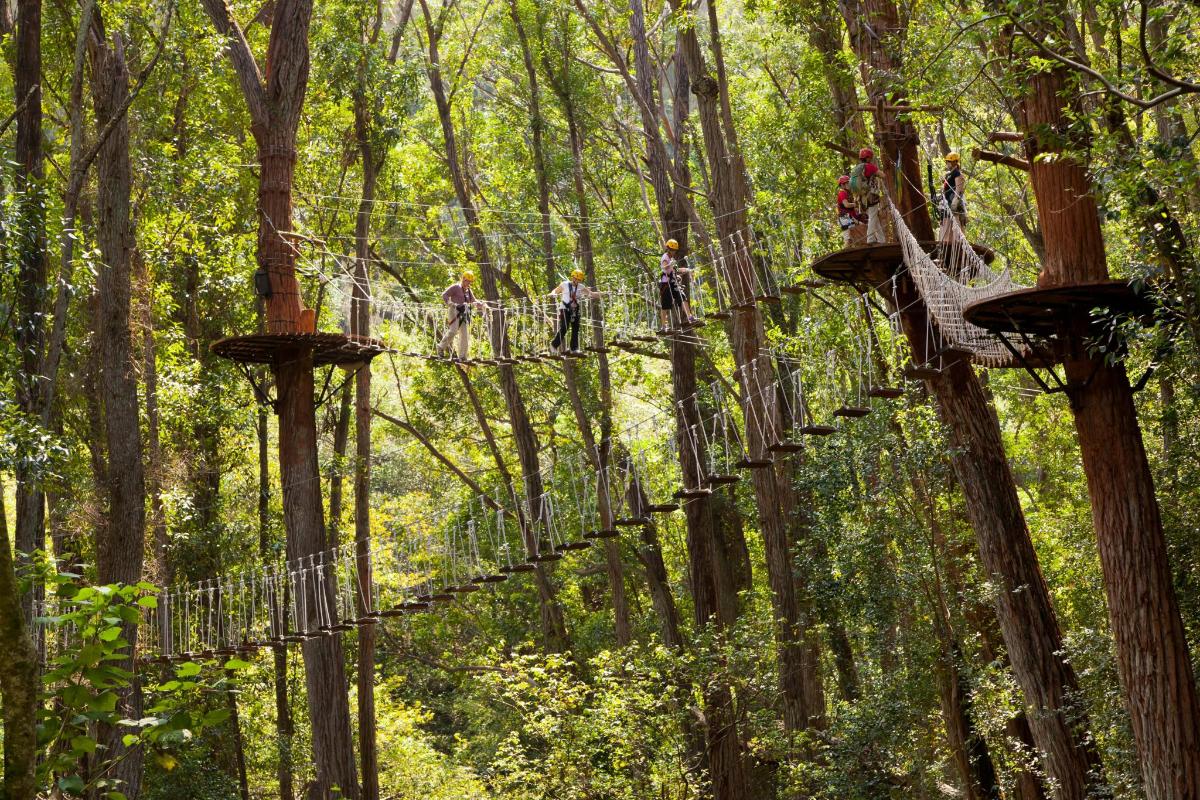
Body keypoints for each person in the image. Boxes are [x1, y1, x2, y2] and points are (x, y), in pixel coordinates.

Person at [548, 268, 601, 354]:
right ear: (572, 277)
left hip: (575, 310)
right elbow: (556, 290)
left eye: (579, 280)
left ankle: (574, 348)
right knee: (564, 328)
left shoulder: (581, 287)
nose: (577, 281)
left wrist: (601, 294)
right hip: (564, 309)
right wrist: (553, 293)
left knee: (576, 329)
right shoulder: (564, 284)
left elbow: (591, 294)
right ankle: (554, 345)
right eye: (575, 279)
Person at [437, 271, 486, 360]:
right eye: (468, 281)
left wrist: (482, 304)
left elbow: (474, 301)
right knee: (453, 331)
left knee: (465, 335)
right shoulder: (456, 287)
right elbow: (444, 295)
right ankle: (440, 347)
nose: (469, 283)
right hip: (454, 311)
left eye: (470, 282)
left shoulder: (468, 291)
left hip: (464, 313)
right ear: (463, 279)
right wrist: (449, 302)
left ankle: (462, 356)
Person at [658, 238, 698, 331]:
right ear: (668, 249)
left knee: (682, 297)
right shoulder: (665, 257)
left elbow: (676, 270)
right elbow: (664, 267)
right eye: (672, 250)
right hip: (666, 284)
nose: (673, 252)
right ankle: (664, 326)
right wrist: (670, 265)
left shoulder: (671, 258)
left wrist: (687, 270)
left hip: (673, 282)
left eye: (674, 250)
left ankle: (690, 318)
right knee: (666, 305)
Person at [836, 175, 864, 246]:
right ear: (842, 185)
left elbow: (849, 207)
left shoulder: (848, 193)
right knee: (848, 239)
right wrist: (855, 204)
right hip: (845, 218)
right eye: (846, 183)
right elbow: (846, 205)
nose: (848, 184)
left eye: (848, 182)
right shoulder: (842, 193)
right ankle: (844, 254)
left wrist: (856, 208)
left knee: (855, 236)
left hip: (851, 217)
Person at [941, 152, 967, 229]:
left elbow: (959, 190)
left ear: (955, 162)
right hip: (947, 202)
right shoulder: (950, 174)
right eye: (947, 161)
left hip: (953, 203)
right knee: (948, 223)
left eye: (949, 161)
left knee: (956, 224)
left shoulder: (957, 174)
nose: (947, 163)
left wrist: (955, 203)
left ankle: (958, 241)